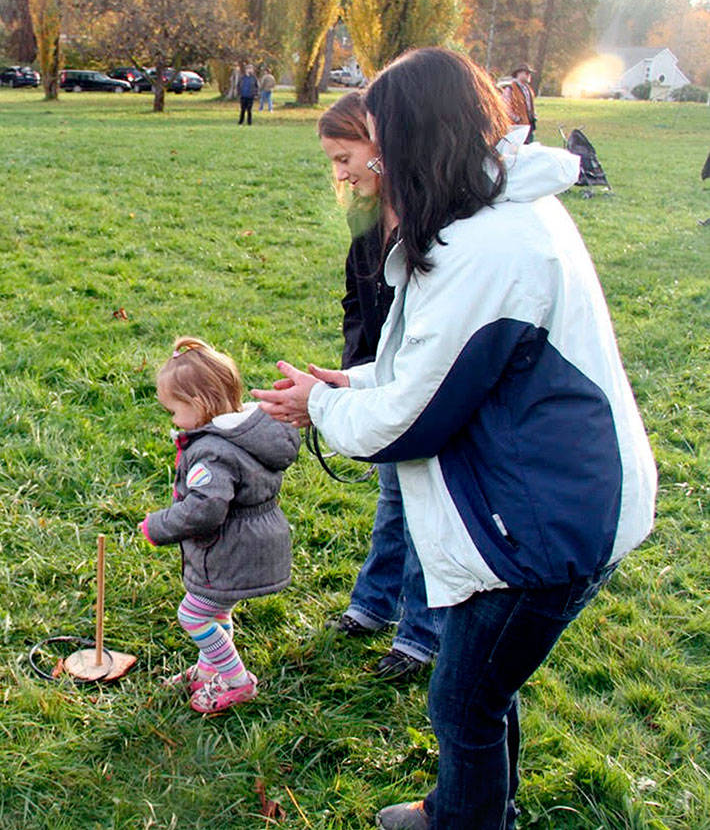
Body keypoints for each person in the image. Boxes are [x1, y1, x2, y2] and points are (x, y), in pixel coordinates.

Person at [253, 47, 656, 830]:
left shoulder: (488, 249)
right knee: (480, 692)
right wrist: (348, 386)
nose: (373, 161)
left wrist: (325, 408)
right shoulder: (492, 219)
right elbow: (436, 371)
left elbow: (412, 418)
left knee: (464, 699)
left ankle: (464, 821)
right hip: (549, 499)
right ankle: (470, 809)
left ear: (416, 134)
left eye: (382, 135)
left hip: (547, 526)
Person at [316, 92, 441, 682]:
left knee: (423, 506)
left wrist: (385, 383)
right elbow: (357, 301)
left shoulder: (433, 219)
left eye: (346, 157)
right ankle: (373, 604)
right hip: (379, 376)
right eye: (332, 162)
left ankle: (421, 636)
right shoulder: (364, 217)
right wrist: (353, 371)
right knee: (393, 498)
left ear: (382, 147)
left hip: (426, 382)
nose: (339, 173)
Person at [140, 337, 300, 714]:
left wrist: (158, 526)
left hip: (231, 549)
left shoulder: (211, 452)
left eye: (174, 411)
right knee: (215, 611)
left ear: (198, 405)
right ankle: (210, 667)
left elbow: (204, 510)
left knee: (193, 615)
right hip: (250, 543)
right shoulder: (242, 432)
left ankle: (235, 681)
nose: (173, 421)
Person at [502, 62, 537, 142]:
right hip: (516, 128)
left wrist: (534, 116)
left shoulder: (528, 89)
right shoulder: (510, 89)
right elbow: (505, 108)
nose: (529, 75)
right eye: (527, 73)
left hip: (528, 126)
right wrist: (516, 119)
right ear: (519, 73)